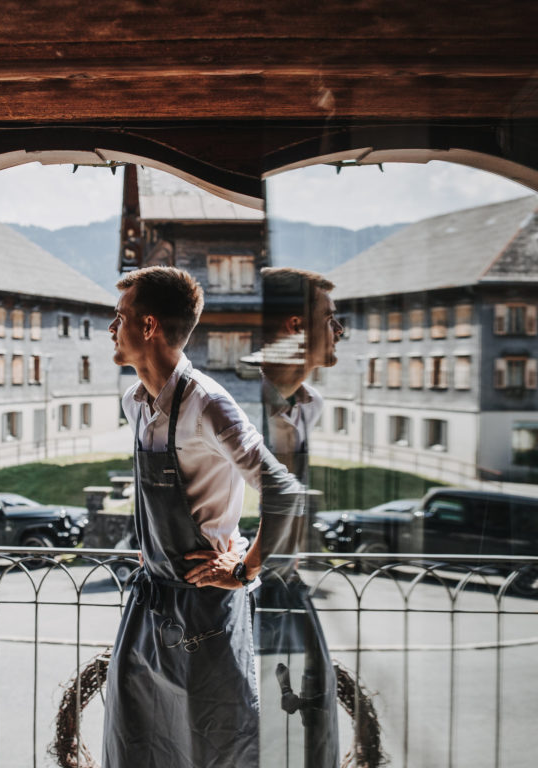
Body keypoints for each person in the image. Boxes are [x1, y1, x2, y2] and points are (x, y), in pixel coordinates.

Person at [102, 266, 303, 768]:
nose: (111, 327)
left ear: (148, 327)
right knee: (136, 738)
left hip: (206, 613)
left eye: (119, 316)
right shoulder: (135, 402)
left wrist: (245, 567)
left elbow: (282, 490)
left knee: (216, 744)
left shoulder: (209, 404)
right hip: (151, 602)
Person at [256, 266, 344, 768]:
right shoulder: (232, 407)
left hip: (288, 597)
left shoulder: (310, 406)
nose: (339, 331)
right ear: (295, 327)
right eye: (332, 319)